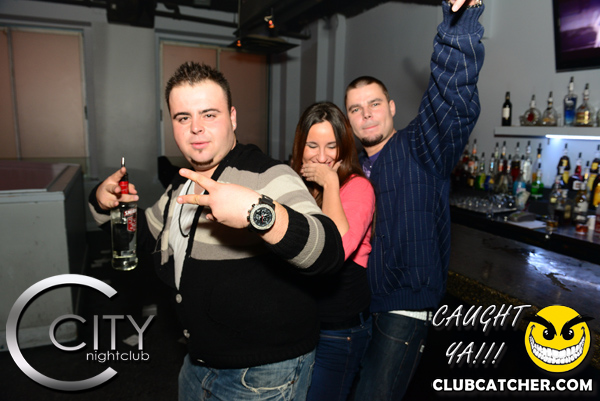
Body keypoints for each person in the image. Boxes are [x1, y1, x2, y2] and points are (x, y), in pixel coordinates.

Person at [89, 62, 345, 401]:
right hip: (198, 360)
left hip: (262, 372)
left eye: (209, 114)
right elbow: (146, 240)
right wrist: (104, 204)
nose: (196, 127)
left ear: (233, 118)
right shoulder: (181, 184)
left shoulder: (269, 175)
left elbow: (329, 251)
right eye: (183, 117)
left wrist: (258, 212)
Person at [344, 0, 485, 399]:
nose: (366, 114)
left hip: (403, 309)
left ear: (391, 107)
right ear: (348, 119)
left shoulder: (421, 147)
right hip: (358, 307)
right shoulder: (351, 172)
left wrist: (458, 25)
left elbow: (450, 100)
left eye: (374, 104)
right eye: (355, 109)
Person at [290, 102, 375, 401]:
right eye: (312, 145)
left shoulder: (358, 187)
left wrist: (330, 183)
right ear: (300, 147)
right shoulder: (296, 186)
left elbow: (336, 247)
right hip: (303, 326)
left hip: (340, 330)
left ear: (344, 147)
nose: (322, 157)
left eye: (331, 146)